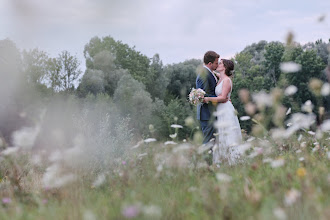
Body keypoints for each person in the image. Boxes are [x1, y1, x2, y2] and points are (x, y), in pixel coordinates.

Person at [204, 59, 243, 166]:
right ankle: (222, 161)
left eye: (220, 63)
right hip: (220, 110)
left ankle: (233, 161)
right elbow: (213, 73)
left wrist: (207, 99)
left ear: (224, 67)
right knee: (221, 135)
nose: (218, 64)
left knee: (228, 133)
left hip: (226, 109)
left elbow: (223, 97)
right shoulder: (220, 78)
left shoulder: (226, 80)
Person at [196, 51, 219, 148]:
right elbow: (204, 96)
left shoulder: (210, 73)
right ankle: (206, 162)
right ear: (210, 63)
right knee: (208, 142)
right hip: (207, 114)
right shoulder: (203, 74)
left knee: (212, 141)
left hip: (211, 113)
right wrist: (221, 99)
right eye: (216, 63)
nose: (217, 65)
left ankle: (211, 162)